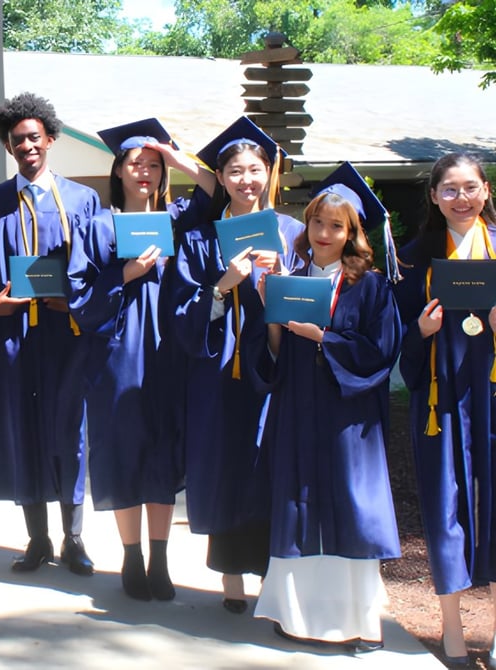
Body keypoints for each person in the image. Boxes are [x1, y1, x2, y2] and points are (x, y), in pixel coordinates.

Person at [253, 163, 401, 652]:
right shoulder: (290, 278)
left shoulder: (371, 287)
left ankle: (360, 625)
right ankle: (295, 617)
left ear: (353, 232)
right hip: (297, 410)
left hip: (347, 419)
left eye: (336, 226)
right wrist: (270, 312)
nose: (323, 233)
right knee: (297, 508)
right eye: (317, 222)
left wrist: (324, 338)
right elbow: (271, 353)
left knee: (350, 512)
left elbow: (380, 353)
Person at [69, 118, 214, 600]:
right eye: (136, 163)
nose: (145, 172)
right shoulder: (97, 226)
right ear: (118, 170)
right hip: (115, 357)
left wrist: (178, 158)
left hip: (169, 351)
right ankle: (131, 556)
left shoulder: (177, 218)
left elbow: (217, 194)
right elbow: (78, 297)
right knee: (124, 452)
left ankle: (160, 558)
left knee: (162, 454)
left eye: (153, 165)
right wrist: (127, 273)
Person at [170, 117, 306, 613]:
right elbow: (181, 314)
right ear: (221, 178)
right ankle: (230, 577)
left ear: (268, 174)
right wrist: (223, 285)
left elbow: (315, 304)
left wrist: (284, 276)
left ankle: (276, 575)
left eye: (255, 170)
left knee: (273, 466)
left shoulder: (293, 233)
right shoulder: (201, 239)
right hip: (221, 373)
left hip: (278, 370)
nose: (245, 180)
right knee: (228, 466)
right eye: (234, 171)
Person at [0, 92, 97, 575]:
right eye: (16, 139)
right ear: (7, 146)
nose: (26, 146)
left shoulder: (82, 200)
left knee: (71, 434)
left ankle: (74, 538)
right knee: (24, 432)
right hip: (15, 337)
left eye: (33, 137)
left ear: (49, 138)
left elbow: (95, 272)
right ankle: (38, 539)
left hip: (67, 337)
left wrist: (77, 300)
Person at [393, 153, 496, 668]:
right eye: (450, 190)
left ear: (487, 190)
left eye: (471, 188)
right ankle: (452, 627)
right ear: (434, 196)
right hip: (441, 401)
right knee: (444, 506)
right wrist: (420, 332)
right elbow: (396, 342)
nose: (462, 198)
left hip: (494, 397)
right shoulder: (414, 260)